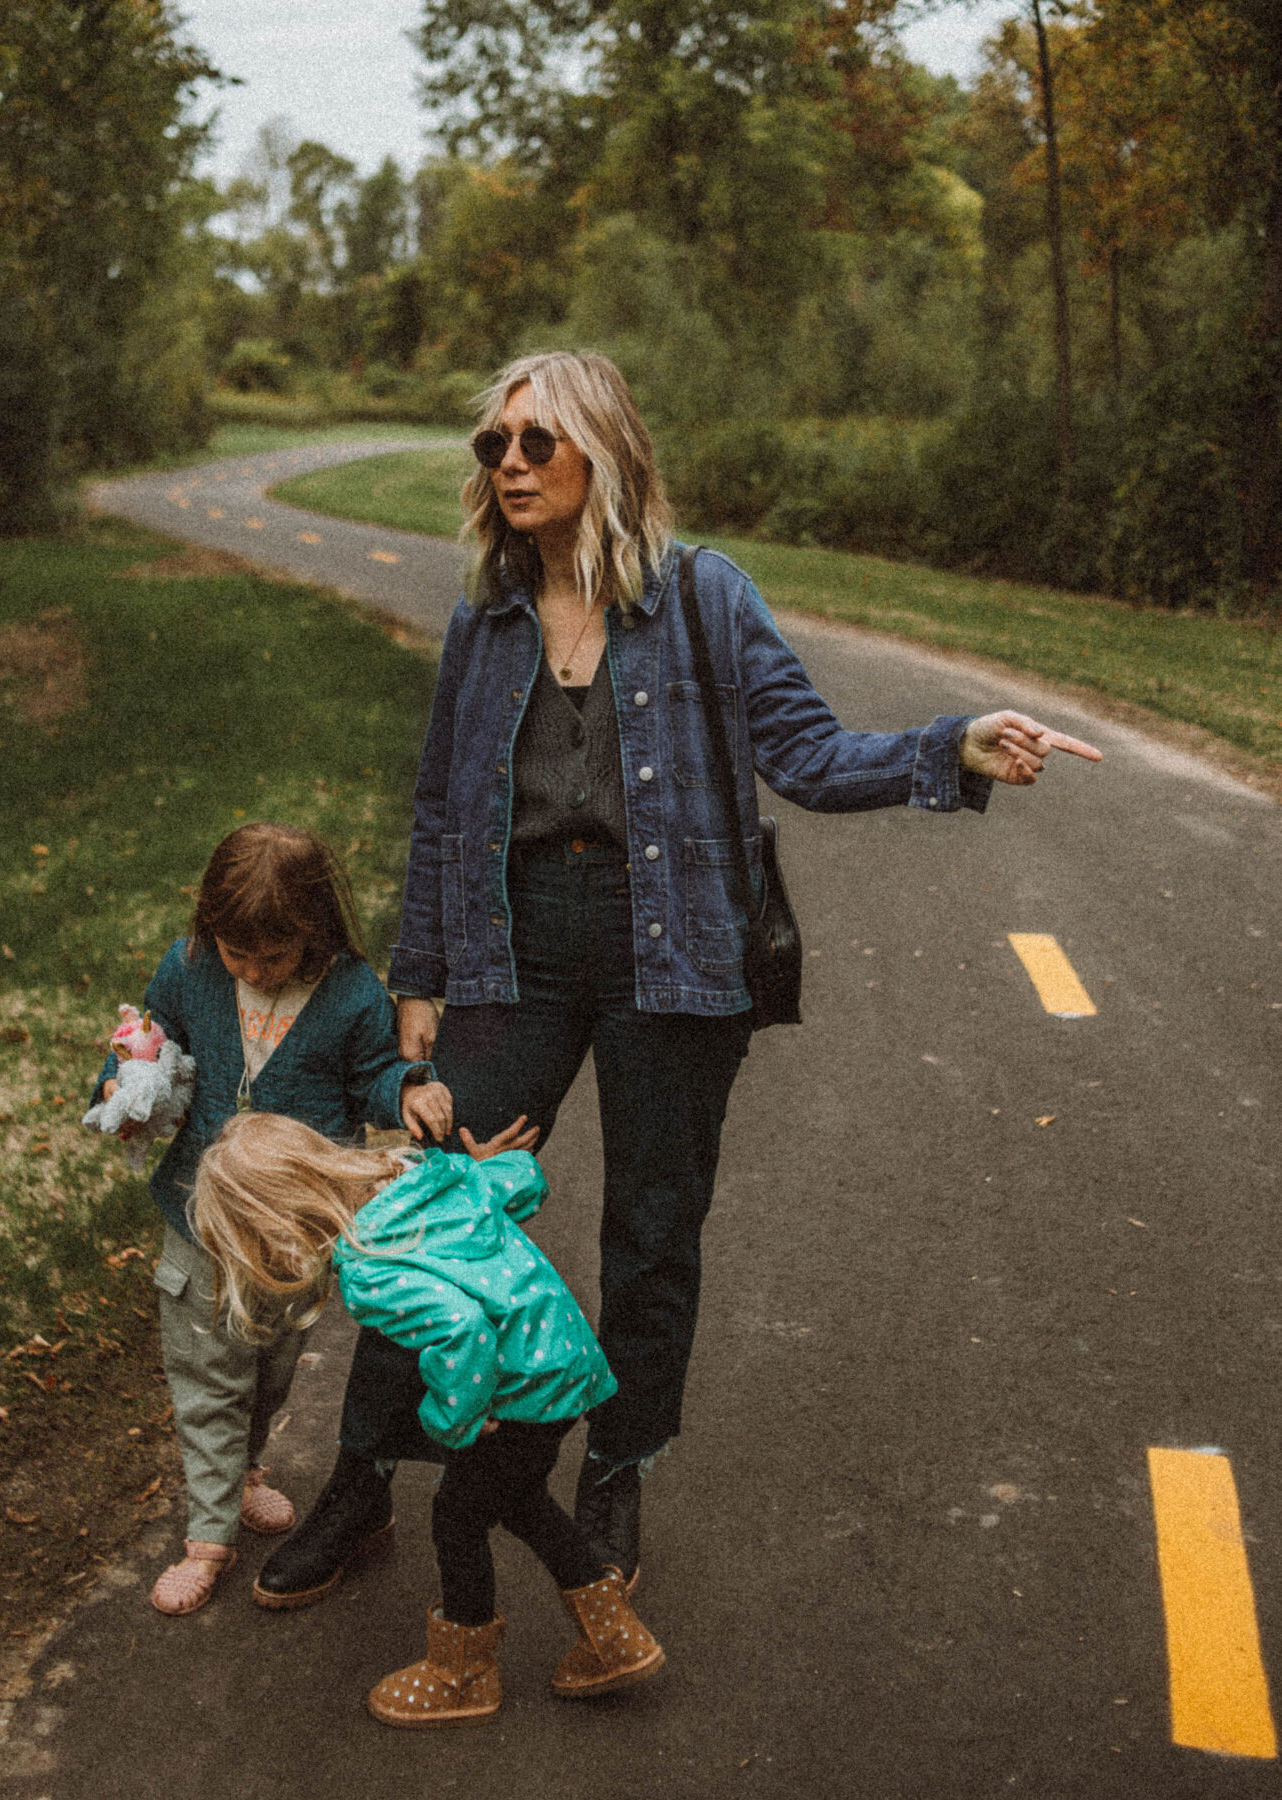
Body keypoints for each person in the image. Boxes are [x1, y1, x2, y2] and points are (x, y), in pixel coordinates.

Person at [253, 349, 1102, 1609]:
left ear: (605, 448)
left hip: (678, 950)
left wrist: (949, 745)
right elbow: (440, 809)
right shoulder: (485, 616)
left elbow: (808, 754)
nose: (512, 466)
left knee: (651, 1232)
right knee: (430, 1211)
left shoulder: (704, 597)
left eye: (538, 442)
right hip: (515, 942)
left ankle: (619, 1463)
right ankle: (369, 1469)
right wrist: (418, 979)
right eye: (495, 447)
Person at [193, 1110, 665, 1725]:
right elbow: (519, 1180)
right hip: (564, 1358)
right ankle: (615, 1638)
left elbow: (461, 1330)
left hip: (520, 1390)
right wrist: (493, 1172)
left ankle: (462, 1673)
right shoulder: (421, 1176)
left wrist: (453, 1423)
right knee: (520, 1499)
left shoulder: (368, 1266)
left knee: (457, 1517)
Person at [90, 822, 454, 1615]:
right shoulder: (189, 970)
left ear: (317, 932)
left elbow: (371, 1079)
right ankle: (209, 1535)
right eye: (237, 953)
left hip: (293, 1229)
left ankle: (244, 1470)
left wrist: (408, 1091)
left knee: (270, 1370)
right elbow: (143, 1051)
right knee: (205, 1377)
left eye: (274, 957)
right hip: (200, 1216)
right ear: (209, 932)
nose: (253, 969)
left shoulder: (352, 993)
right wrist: (121, 1096)